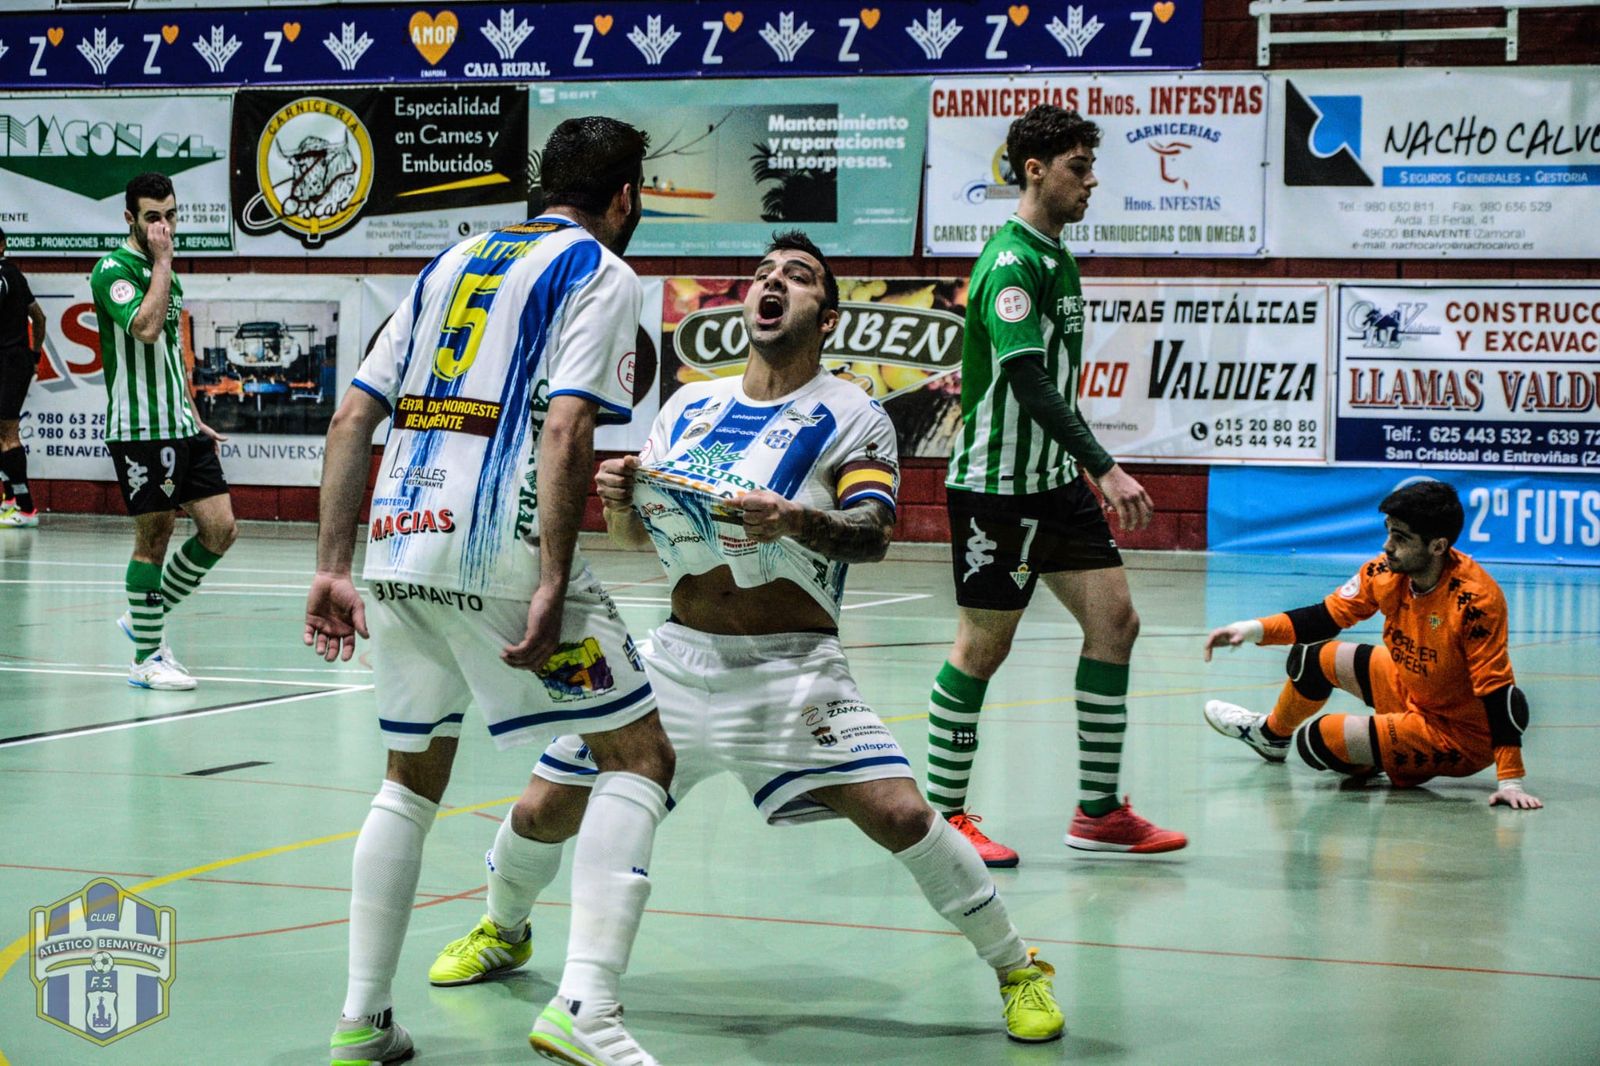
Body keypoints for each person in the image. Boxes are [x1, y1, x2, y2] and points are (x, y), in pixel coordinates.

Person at [427, 231, 1067, 1052]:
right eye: (763, 276)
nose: (772, 286)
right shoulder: (691, 405)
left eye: (796, 279)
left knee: (904, 815)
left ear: (825, 317)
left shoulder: (855, 414)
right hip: (675, 662)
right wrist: (621, 495)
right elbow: (632, 539)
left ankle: (1017, 968)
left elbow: (871, 533)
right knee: (541, 809)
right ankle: (503, 929)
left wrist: (795, 518)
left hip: (792, 676)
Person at [305, 116, 676, 1066]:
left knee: (410, 778)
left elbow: (353, 416)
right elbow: (563, 431)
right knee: (636, 755)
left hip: (395, 547)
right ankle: (586, 1006)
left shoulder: (450, 261)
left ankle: (361, 1020)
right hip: (495, 550)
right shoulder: (599, 269)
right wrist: (553, 576)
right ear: (625, 197)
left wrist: (331, 565)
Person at [925, 105, 1186, 866]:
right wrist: (1104, 466)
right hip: (998, 489)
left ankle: (1099, 811)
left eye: (1090, 165)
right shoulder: (1012, 264)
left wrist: (1077, 468)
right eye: (1078, 166)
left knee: (1117, 624)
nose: (1091, 180)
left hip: (1053, 483)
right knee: (981, 648)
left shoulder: (1057, 253)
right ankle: (945, 818)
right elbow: (1029, 381)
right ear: (1034, 169)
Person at [1201, 479, 1542, 809]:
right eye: (1388, 531)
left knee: (1317, 741)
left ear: (1437, 546)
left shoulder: (1475, 602)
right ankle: (1272, 735)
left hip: (1455, 733)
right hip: (1410, 688)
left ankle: (1392, 756)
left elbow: (1499, 692)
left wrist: (1510, 780)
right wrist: (1249, 629)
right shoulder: (1386, 572)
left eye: (1401, 537)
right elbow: (1325, 617)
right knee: (1312, 655)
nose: (1387, 546)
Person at [91, 173, 237, 690]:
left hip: (178, 421)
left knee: (221, 530)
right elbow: (146, 328)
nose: (164, 226)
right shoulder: (114, 271)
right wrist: (163, 262)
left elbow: (170, 352)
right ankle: (146, 659)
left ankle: (142, 614)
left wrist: (192, 410)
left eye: (171, 214)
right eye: (153, 216)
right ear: (130, 219)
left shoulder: (165, 274)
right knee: (154, 538)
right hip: (139, 429)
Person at [0, 225, 47, 528]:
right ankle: (10, 500)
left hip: (10, 362)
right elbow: (38, 316)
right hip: (16, 359)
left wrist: (33, 355)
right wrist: (35, 353)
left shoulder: (7, 276)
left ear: (2, 245)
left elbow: (39, 318)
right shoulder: (16, 274)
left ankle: (26, 507)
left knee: (7, 434)